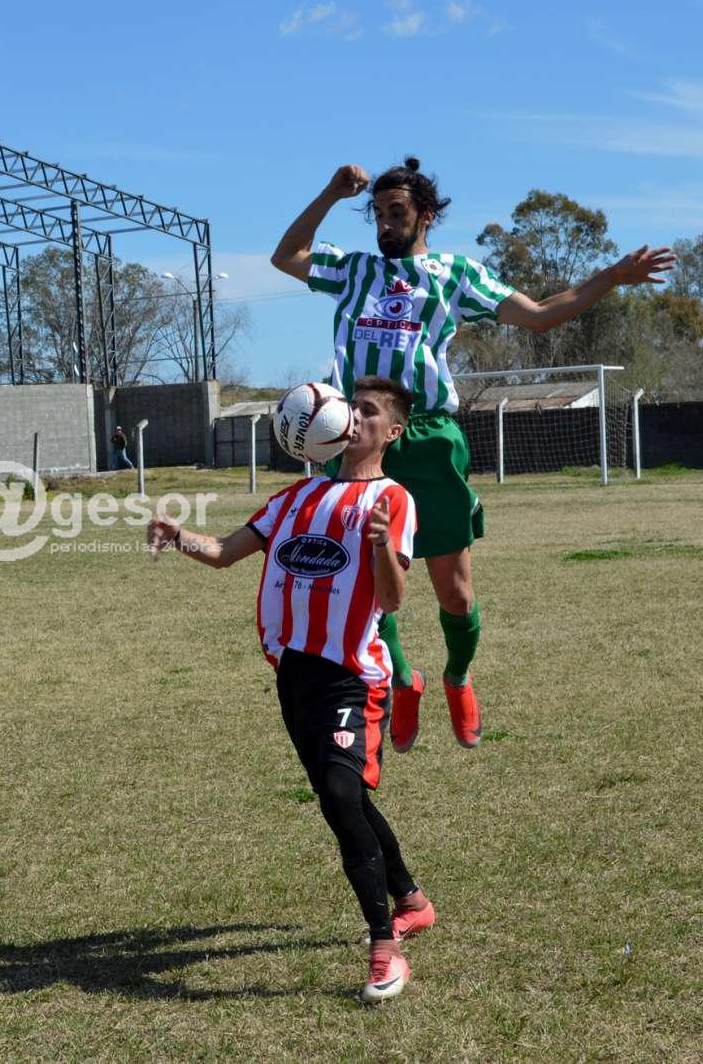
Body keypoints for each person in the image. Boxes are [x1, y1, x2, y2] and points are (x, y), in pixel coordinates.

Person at [270, 158, 675, 751]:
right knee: (368, 581)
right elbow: (287, 256)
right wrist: (331, 193)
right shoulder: (354, 270)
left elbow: (541, 316)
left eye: (396, 212)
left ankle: (457, 678)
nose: (384, 224)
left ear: (425, 216)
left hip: (430, 438)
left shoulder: (455, 274)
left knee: (454, 591)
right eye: (377, 214)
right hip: (360, 436)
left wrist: (613, 276)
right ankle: (401, 679)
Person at [147, 376, 433, 1003]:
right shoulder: (295, 496)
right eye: (351, 406)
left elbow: (392, 600)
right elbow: (224, 552)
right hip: (294, 675)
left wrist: (381, 548)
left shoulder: (393, 500)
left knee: (340, 794)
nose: (354, 417)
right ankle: (412, 898)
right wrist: (179, 536)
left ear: (392, 431)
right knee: (343, 797)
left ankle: (384, 947)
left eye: (369, 412)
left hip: (352, 679)